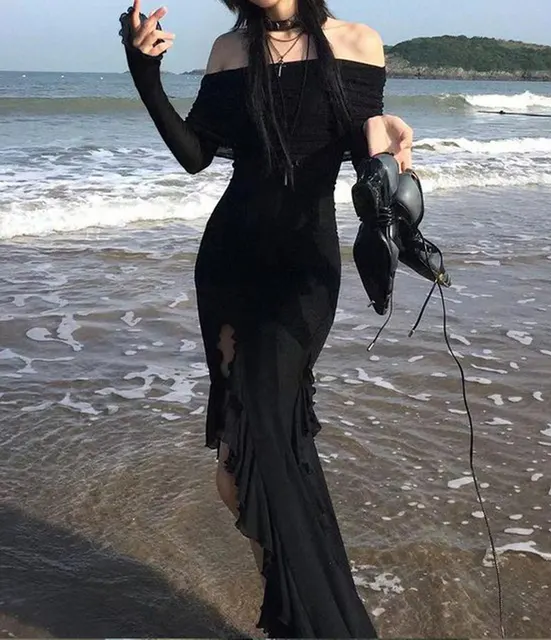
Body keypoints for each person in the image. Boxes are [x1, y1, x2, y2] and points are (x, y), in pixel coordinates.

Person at [119, 0, 413, 636]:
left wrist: (385, 142)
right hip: (230, 265)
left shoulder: (358, 42)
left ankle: (319, 623)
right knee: (236, 471)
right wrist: (143, 72)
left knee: (272, 445)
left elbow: (363, 146)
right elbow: (196, 154)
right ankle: (288, 609)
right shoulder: (231, 50)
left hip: (303, 270)